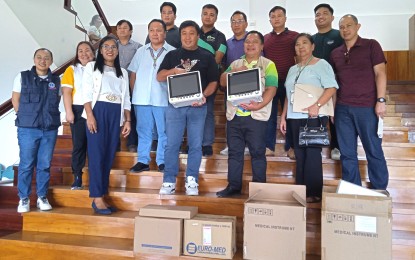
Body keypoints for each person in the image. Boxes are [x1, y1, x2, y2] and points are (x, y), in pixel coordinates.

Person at [157, 20, 218, 196]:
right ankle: (169, 180)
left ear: (198, 36)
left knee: (196, 145)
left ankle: (192, 179)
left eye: (192, 33)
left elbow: (214, 81)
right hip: (175, 106)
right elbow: (160, 76)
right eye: (184, 33)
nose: (188, 37)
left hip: (197, 107)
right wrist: (173, 72)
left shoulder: (207, 56)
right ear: (180, 35)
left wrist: (203, 97)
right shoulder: (171, 55)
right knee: (172, 144)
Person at [216, 31, 278, 198]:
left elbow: (272, 88)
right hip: (234, 116)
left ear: (262, 46)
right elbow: (222, 81)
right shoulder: (236, 63)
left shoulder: (268, 64)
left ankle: (259, 189)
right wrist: (232, 73)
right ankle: (234, 186)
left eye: (255, 42)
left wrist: (259, 105)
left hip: (256, 117)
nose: (250, 44)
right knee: (234, 153)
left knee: (258, 153)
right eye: (247, 41)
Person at [330, 14, 389, 189]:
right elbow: (334, 83)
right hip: (342, 109)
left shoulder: (371, 45)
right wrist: (333, 109)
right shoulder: (335, 53)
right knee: (347, 154)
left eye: (349, 25)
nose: (345, 29)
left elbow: (381, 73)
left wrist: (381, 100)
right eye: (341, 27)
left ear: (358, 26)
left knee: (374, 151)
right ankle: (352, 190)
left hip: (367, 108)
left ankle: (380, 190)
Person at [280, 33, 338, 203]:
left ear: (312, 46)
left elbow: (331, 88)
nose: (301, 47)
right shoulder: (293, 69)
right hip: (293, 117)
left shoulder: (321, 64)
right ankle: (301, 191)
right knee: (299, 154)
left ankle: (314, 192)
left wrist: (317, 106)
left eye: (305, 43)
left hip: (313, 116)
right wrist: (283, 116)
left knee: (312, 154)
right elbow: (288, 95)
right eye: (297, 44)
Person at [82, 36, 131, 215]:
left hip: (115, 113)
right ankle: (97, 197)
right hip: (98, 111)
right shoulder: (91, 67)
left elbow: (126, 98)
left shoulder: (123, 72)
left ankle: (102, 193)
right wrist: (90, 116)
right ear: (100, 50)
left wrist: (127, 120)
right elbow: (86, 93)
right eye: (106, 47)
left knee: (109, 155)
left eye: (113, 47)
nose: (110, 50)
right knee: (96, 154)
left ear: (117, 51)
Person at [12, 48, 61, 213]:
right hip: (27, 129)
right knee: (26, 164)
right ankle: (24, 198)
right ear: (34, 60)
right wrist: (25, 117)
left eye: (46, 58)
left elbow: (58, 100)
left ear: (51, 61)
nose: (43, 60)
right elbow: (15, 99)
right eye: (39, 57)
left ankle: (42, 197)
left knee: (45, 165)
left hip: (49, 129)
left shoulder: (56, 80)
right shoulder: (22, 77)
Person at [129, 19, 175, 173]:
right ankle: (143, 160)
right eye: (152, 30)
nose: (155, 33)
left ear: (165, 33)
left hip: (162, 99)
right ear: (148, 33)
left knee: (164, 131)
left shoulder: (173, 52)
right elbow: (133, 73)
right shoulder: (141, 51)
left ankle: (162, 161)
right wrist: (135, 92)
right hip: (141, 99)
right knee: (143, 131)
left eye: (159, 30)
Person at [264, 6, 299, 157]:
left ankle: (291, 147)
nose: (276, 18)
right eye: (273, 16)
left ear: (285, 18)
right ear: (270, 19)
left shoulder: (295, 36)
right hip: (271, 83)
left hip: (290, 82)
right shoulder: (265, 38)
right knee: (269, 115)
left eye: (279, 16)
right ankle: (268, 146)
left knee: (291, 115)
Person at [61, 41, 95, 190]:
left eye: (87, 50)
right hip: (77, 109)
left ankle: (96, 175)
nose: (84, 53)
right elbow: (66, 92)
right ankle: (77, 177)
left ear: (93, 53)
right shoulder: (72, 69)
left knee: (95, 145)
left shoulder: (99, 68)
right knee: (79, 145)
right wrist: (68, 111)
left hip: (95, 110)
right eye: (80, 51)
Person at [312, 3, 343, 160]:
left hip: (337, 82)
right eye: (317, 14)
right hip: (316, 85)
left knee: (335, 114)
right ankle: (314, 144)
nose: (321, 16)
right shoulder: (311, 39)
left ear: (332, 17)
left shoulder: (339, 36)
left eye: (324, 13)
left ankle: (336, 146)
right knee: (317, 113)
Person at [220, 10, 250, 156]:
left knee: (249, 115)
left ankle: (248, 145)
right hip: (232, 86)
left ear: (246, 23)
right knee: (231, 115)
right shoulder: (227, 43)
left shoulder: (252, 40)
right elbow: (224, 65)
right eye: (234, 21)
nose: (236, 24)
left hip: (250, 85)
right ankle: (230, 144)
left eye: (240, 21)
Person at [198, 4, 227, 156]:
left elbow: (218, 59)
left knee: (208, 111)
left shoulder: (220, 36)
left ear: (216, 17)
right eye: (205, 14)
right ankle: (193, 143)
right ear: (201, 15)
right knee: (191, 112)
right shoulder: (193, 33)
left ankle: (207, 144)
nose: (208, 16)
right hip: (192, 80)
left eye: (211, 14)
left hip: (210, 79)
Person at [116, 19, 142, 152]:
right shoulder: (111, 46)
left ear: (131, 31)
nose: (122, 30)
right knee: (115, 113)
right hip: (114, 86)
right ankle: (114, 143)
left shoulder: (138, 47)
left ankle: (132, 143)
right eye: (119, 28)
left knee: (131, 114)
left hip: (132, 85)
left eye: (125, 28)